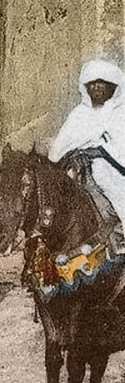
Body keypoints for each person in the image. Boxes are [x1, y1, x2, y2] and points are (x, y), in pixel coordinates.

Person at [48, 59, 125, 249]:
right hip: (77, 170)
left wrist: (98, 151)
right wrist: (75, 154)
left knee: (115, 191)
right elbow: (58, 150)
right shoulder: (79, 114)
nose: (96, 87)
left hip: (113, 171)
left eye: (102, 82)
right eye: (92, 83)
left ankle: (119, 239)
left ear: (112, 86)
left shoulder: (120, 113)